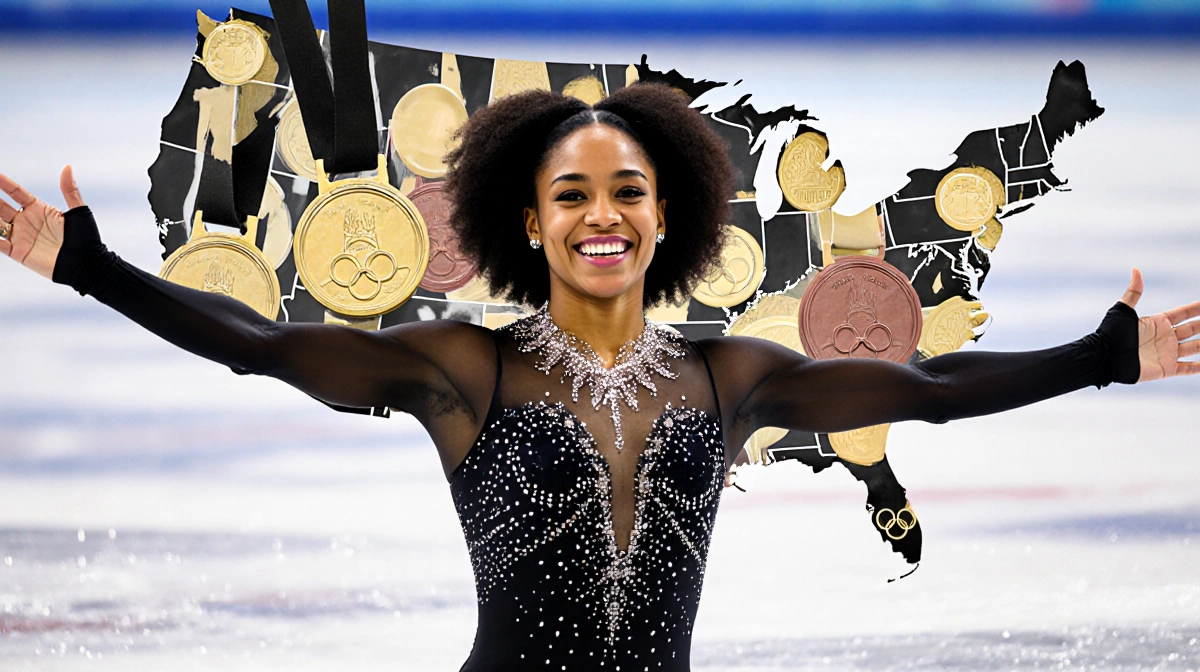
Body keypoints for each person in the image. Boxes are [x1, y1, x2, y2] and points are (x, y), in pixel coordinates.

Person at [1, 84, 1196, 671]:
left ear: (666, 209)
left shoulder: (734, 378)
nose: (602, 215)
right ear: (527, 219)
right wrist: (91, 266)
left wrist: (1104, 358)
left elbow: (927, 390)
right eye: (571, 194)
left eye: (627, 190)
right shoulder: (464, 368)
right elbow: (256, 346)